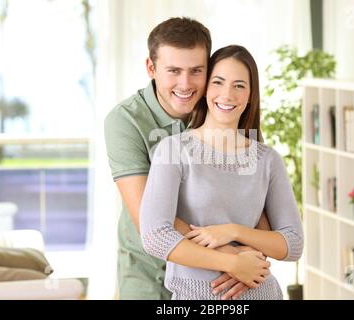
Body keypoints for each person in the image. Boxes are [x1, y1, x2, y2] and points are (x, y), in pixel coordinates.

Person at [104, 17, 270, 300]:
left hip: (217, 283)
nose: (185, 83)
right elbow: (151, 220)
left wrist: (251, 255)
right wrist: (232, 258)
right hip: (151, 277)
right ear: (151, 68)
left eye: (196, 71)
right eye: (173, 71)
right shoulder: (125, 121)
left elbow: (258, 203)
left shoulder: (221, 109)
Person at [140, 45, 304, 300]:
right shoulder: (173, 149)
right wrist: (233, 262)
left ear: (251, 95)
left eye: (239, 85)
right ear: (206, 88)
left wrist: (233, 231)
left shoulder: (268, 160)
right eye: (218, 82)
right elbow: (155, 236)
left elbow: (293, 244)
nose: (227, 94)